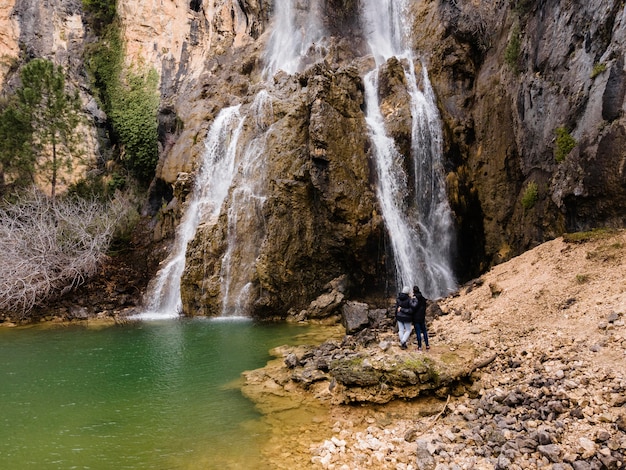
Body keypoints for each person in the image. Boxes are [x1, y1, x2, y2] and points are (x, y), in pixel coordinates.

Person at [411, 285, 430, 351]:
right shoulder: (423, 298)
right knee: (424, 331)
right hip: (422, 317)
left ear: (413, 291)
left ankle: (420, 346)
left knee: (418, 332)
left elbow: (413, 307)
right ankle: (427, 345)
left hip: (416, 318)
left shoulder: (414, 299)